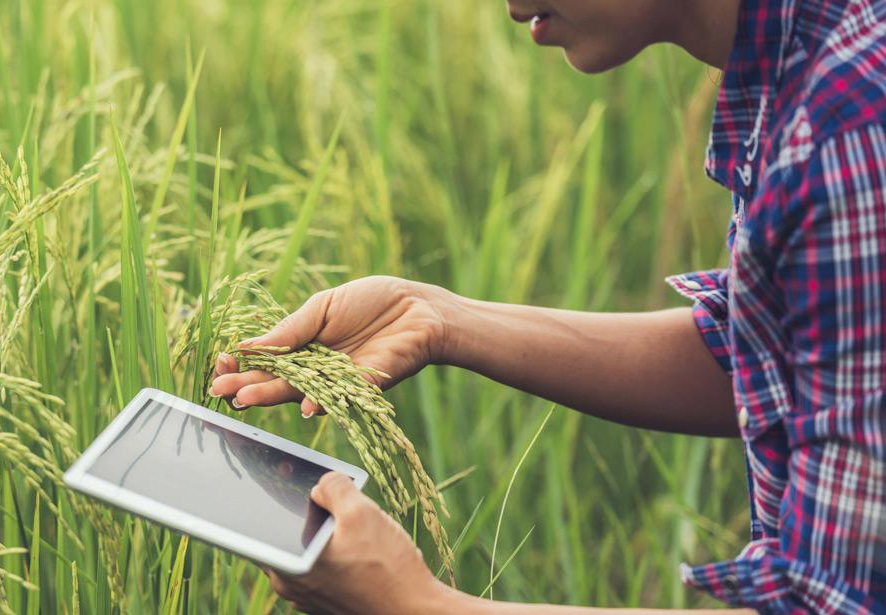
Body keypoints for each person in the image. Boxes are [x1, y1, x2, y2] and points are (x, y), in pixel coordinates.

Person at [209, 0, 886, 612]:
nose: (510, 6)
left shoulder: (843, 134)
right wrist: (437, 316)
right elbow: (780, 362)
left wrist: (413, 602)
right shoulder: (808, 69)